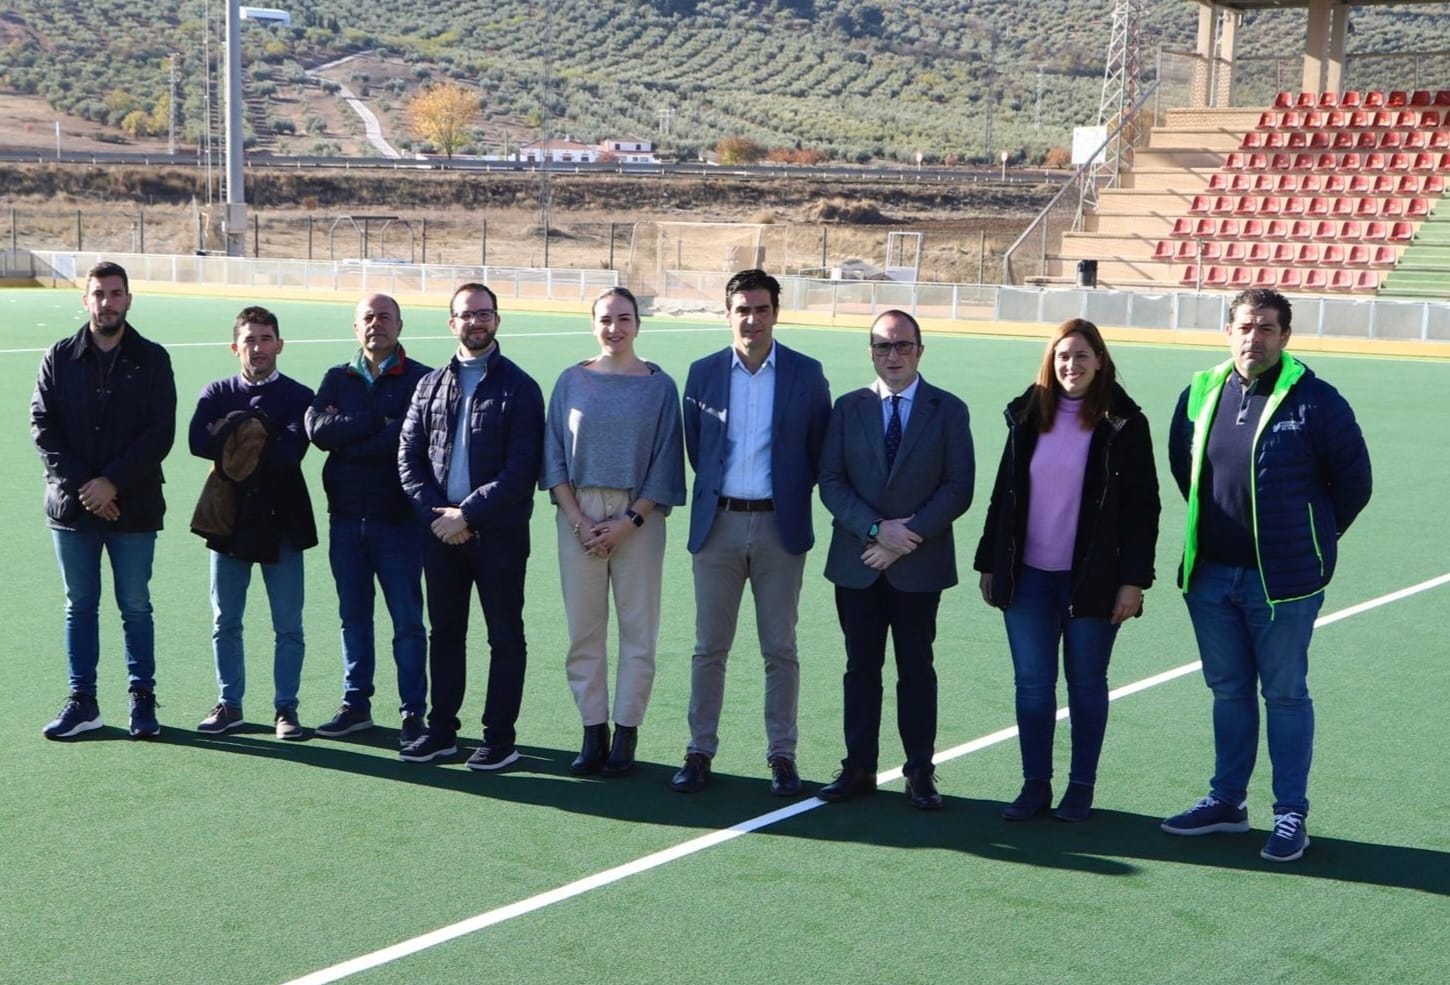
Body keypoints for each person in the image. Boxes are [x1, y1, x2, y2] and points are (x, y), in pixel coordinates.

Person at [1162, 288, 1371, 863]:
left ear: (1285, 336)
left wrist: (1309, 539)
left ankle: (1290, 814)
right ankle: (1227, 802)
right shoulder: (1201, 392)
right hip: (1209, 578)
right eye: (1246, 327)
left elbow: (1354, 483)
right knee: (1228, 691)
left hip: (1282, 583)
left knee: (1284, 695)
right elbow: (1187, 469)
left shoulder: (1316, 401)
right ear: (1229, 330)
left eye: (1267, 329)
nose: (1254, 338)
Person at [974, 318, 1160, 823]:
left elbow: (1145, 509)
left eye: (1081, 356)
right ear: (1049, 363)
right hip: (1028, 577)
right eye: (1062, 357)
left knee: (1085, 682)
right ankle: (1035, 785)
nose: (1071, 366)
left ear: (1100, 360)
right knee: (1033, 685)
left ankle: (1081, 787)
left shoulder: (1124, 423)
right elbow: (1003, 496)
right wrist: (991, 561)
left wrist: (1133, 581)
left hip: (1093, 579)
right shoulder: (1028, 415)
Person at [671, 270, 830, 796]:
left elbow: (816, 452)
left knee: (779, 648)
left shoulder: (807, 374)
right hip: (717, 527)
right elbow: (700, 451)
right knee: (708, 648)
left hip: (779, 530)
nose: (752, 319)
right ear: (728, 313)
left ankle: (782, 756)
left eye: (762, 309)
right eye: (743, 309)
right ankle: (699, 751)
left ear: (776, 313)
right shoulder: (703, 374)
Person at [817, 309, 974, 810]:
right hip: (857, 562)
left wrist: (905, 535)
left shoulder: (948, 409)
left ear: (920, 351)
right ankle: (858, 767)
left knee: (916, 669)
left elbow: (958, 487)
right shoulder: (848, 408)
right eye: (883, 346)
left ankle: (920, 772)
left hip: (917, 564)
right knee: (860, 668)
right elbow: (832, 483)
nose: (893, 355)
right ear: (871, 352)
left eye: (902, 345)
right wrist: (874, 530)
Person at [398, 282, 544, 769]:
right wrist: (439, 515)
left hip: (498, 535)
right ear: (451, 322)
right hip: (441, 534)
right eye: (466, 315)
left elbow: (522, 468)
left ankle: (499, 738)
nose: (475, 322)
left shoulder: (520, 388)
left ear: (497, 320)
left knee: (504, 636)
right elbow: (408, 458)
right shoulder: (430, 384)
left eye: (484, 314)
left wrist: (469, 514)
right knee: (445, 635)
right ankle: (442, 732)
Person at [541, 287, 686, 777]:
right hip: (577, 511)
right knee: (584, 630)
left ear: (638, 325)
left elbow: (667, 463)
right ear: (593, 324)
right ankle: (592, 730)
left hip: (638, 517)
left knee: (638, 630)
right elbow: (554, 456)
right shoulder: (571, 381)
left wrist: (630, 521)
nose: (614, 328)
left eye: (624, 319)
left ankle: (626, 732)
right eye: (605, 319)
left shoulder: (659, 386)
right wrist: (579, 519)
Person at [32, 261, 177, 739]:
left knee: (136, 605)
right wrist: (87, 487)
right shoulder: (59, 357)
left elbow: (160, 432)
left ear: (129, 300)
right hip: (73, 510)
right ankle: (83, 702)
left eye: (116, 294)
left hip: (133, 506)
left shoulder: (152, 358)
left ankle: (142, 701)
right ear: (85, 300)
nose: (107, 303)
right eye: (98, 294)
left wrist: (112, 482)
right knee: (80, 605)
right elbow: (43, 428)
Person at [305, 294, 431, 748]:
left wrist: (351, 432)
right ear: (355, 327)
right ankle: (356, 703)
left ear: (400, 324)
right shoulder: (337, 377)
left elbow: (410, 440)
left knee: (408, 623)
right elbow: (318, 430)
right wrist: (378, 423)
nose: (375, 324)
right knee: (353, 618)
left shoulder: (421, 379)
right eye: (367, 318)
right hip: (345, 520)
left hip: (398, 522)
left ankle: (414, 712)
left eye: (384, 317)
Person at [190, 305, 318, 741]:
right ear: (235, 347)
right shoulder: (217, 390)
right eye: (250, 340)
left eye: (266, 339)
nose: (258, 348)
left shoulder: (300, 396)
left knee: (289, 624)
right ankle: (231, 703)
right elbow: (195, 442)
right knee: (225, 619)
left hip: (282, 520)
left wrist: (233, 429)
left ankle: (286, 710)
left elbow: (289, 455)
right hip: (228, 521)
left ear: (279, 345)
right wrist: (263, 430)